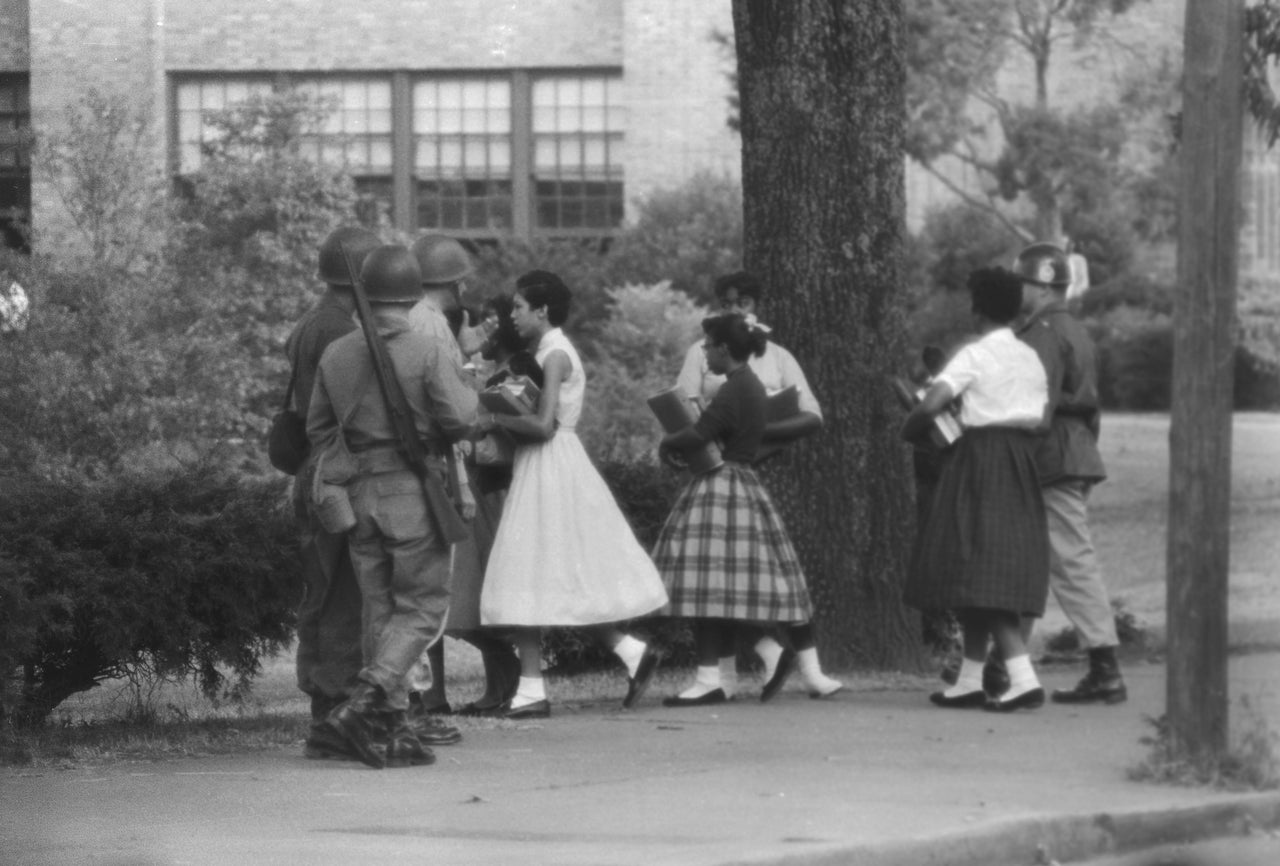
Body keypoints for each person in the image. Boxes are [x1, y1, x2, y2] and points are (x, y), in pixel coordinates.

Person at [308, 244, 478, 768]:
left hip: (360, 496)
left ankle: (392, 726)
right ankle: (365, 701)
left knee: (380, 611)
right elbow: (462, 421)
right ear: (411, 294)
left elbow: (317, 429)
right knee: (424, 608)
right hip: (412, 492)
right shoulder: (426, 349)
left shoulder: (336, 354)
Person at [479, 270, 668, 719]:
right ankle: (630, 652)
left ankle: (532, 689)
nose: (512, 315)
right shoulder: (545, 351)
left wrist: (493, 418)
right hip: (546, 467)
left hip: (552, 467)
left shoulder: (557, 354)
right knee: (557, 574)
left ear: (542, 311)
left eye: (519, 307)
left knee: (524, 569)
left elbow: (544, 427)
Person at [654, 313, 843, 706]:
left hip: (721, 485)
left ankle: (709, 678)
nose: (704, 354)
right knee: (724, 582)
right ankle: (729, 671)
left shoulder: (734, 389)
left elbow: (701, 432)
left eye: (708, 347)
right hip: (745, 482)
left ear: (725, 349)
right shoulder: (751, 386)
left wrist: (668, 442)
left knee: (704, 582)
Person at [902, 267, 1050, 712]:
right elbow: (1041, 419)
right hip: (1020, 461)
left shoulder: (975, 354)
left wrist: (912, 426)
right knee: (982, 569)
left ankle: (1023, 678)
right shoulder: (1029, 357)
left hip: (980, 460)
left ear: (978, 308)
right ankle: (969, 678)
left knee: (976, 565)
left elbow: (930, 403)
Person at [1014, 242, 1127, 705]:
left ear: (1040, 287)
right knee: (1031, 561)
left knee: (1069, 559)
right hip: (1075, 449)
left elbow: (1036, 406)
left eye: (1022, 282)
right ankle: (1008, 665)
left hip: (1051, 454)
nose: (1017, 290)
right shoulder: (1072, 329)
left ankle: (1105, 667)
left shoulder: (1041, 332)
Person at [285, 225, 380, 761]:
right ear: (363, 279)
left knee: (323, 593)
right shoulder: (339, 330)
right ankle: (336, 712)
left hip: (312, 471)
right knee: (344, 593)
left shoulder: (311, 323)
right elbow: (350, 417)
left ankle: (326, 711)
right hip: (336, 474)